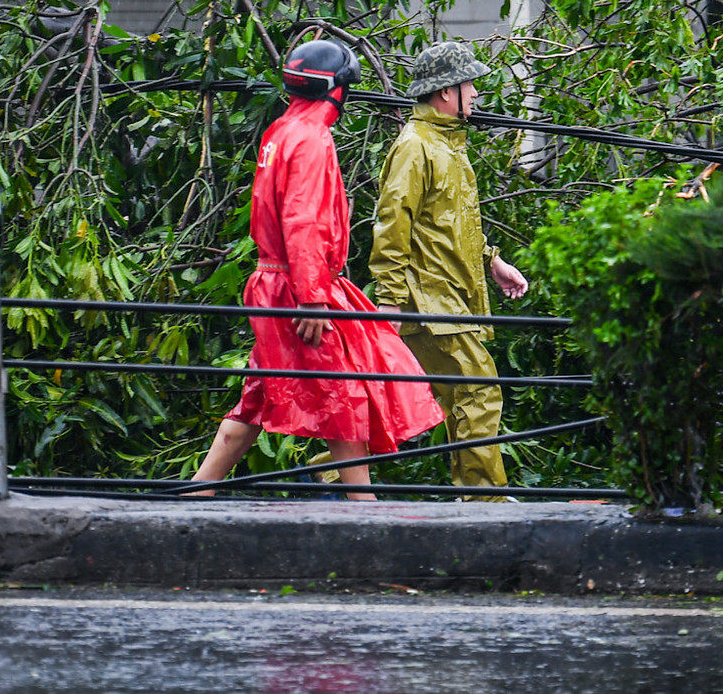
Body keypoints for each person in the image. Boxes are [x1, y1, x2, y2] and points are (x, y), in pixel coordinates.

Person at [189, 38, 443, 500]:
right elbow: (302, 221)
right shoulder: (311, 138)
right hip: (298, 287)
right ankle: (364, 506)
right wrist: (312, 299)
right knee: (343, 390)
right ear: (337, 89)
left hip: (276, 282)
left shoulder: (282, 130)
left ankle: (196, 492)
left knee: (259, 394)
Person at [370, 40, 530, 498]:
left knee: (415, 404)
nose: (476, 93)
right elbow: (392, 226)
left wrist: (492, 261)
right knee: (478, 390)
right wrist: (389, 300)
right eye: (469, 84)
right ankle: (483, 498)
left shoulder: (446, 144)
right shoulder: (416, 147)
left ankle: (330, 473)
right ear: (446, 92)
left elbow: (452, 221)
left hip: (447, 295)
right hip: (429, 298)